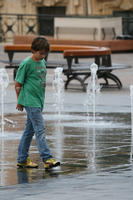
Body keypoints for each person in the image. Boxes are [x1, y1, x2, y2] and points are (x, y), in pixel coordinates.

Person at [15, 37, 60, 169]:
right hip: (30, 101)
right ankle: (47, 158)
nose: (43, 56)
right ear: (33, 50)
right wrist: (19, 101)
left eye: (45, 53)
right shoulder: (26, 64)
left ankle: (22, 159)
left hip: (38, 101)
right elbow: (18, 84)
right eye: (40, 53)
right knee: (40, 130)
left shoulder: (42, 62)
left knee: (29, 131)